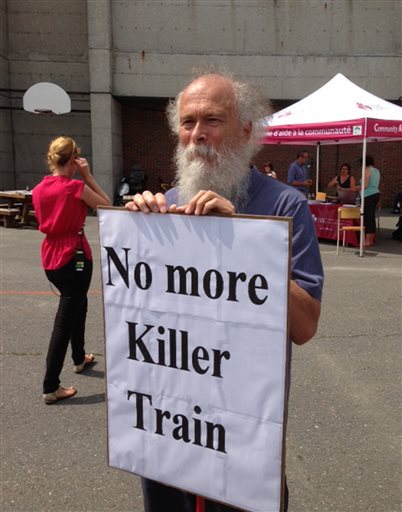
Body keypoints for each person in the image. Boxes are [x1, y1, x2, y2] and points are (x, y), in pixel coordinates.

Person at [125, 72, 324, 512]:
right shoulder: (169, 203)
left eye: (212, 120)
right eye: (188, 122)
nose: (198, 135)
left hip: (243, 430)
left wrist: (246, 244)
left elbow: (305, 325)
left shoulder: (284, 205)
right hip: (169, 422)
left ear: (248, 130)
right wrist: (133, 237)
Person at [32, 136, 111, 404]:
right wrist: (88, 176)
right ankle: (50, 386)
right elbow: (107, 205)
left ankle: (79, 358)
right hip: (73, 255)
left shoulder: (40, 188)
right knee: (65, 320)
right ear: (74, 160)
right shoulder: (74, 187)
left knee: (79, 302)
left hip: (51, 255)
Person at [355, 155, 381, 247]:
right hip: (375, 195)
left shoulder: (366, 170)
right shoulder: (376, 171)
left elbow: (365, 186)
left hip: (368, 196)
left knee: (367, 218)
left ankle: (367, 241)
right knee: (371, 218)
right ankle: (370, 240)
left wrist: (355, 188)